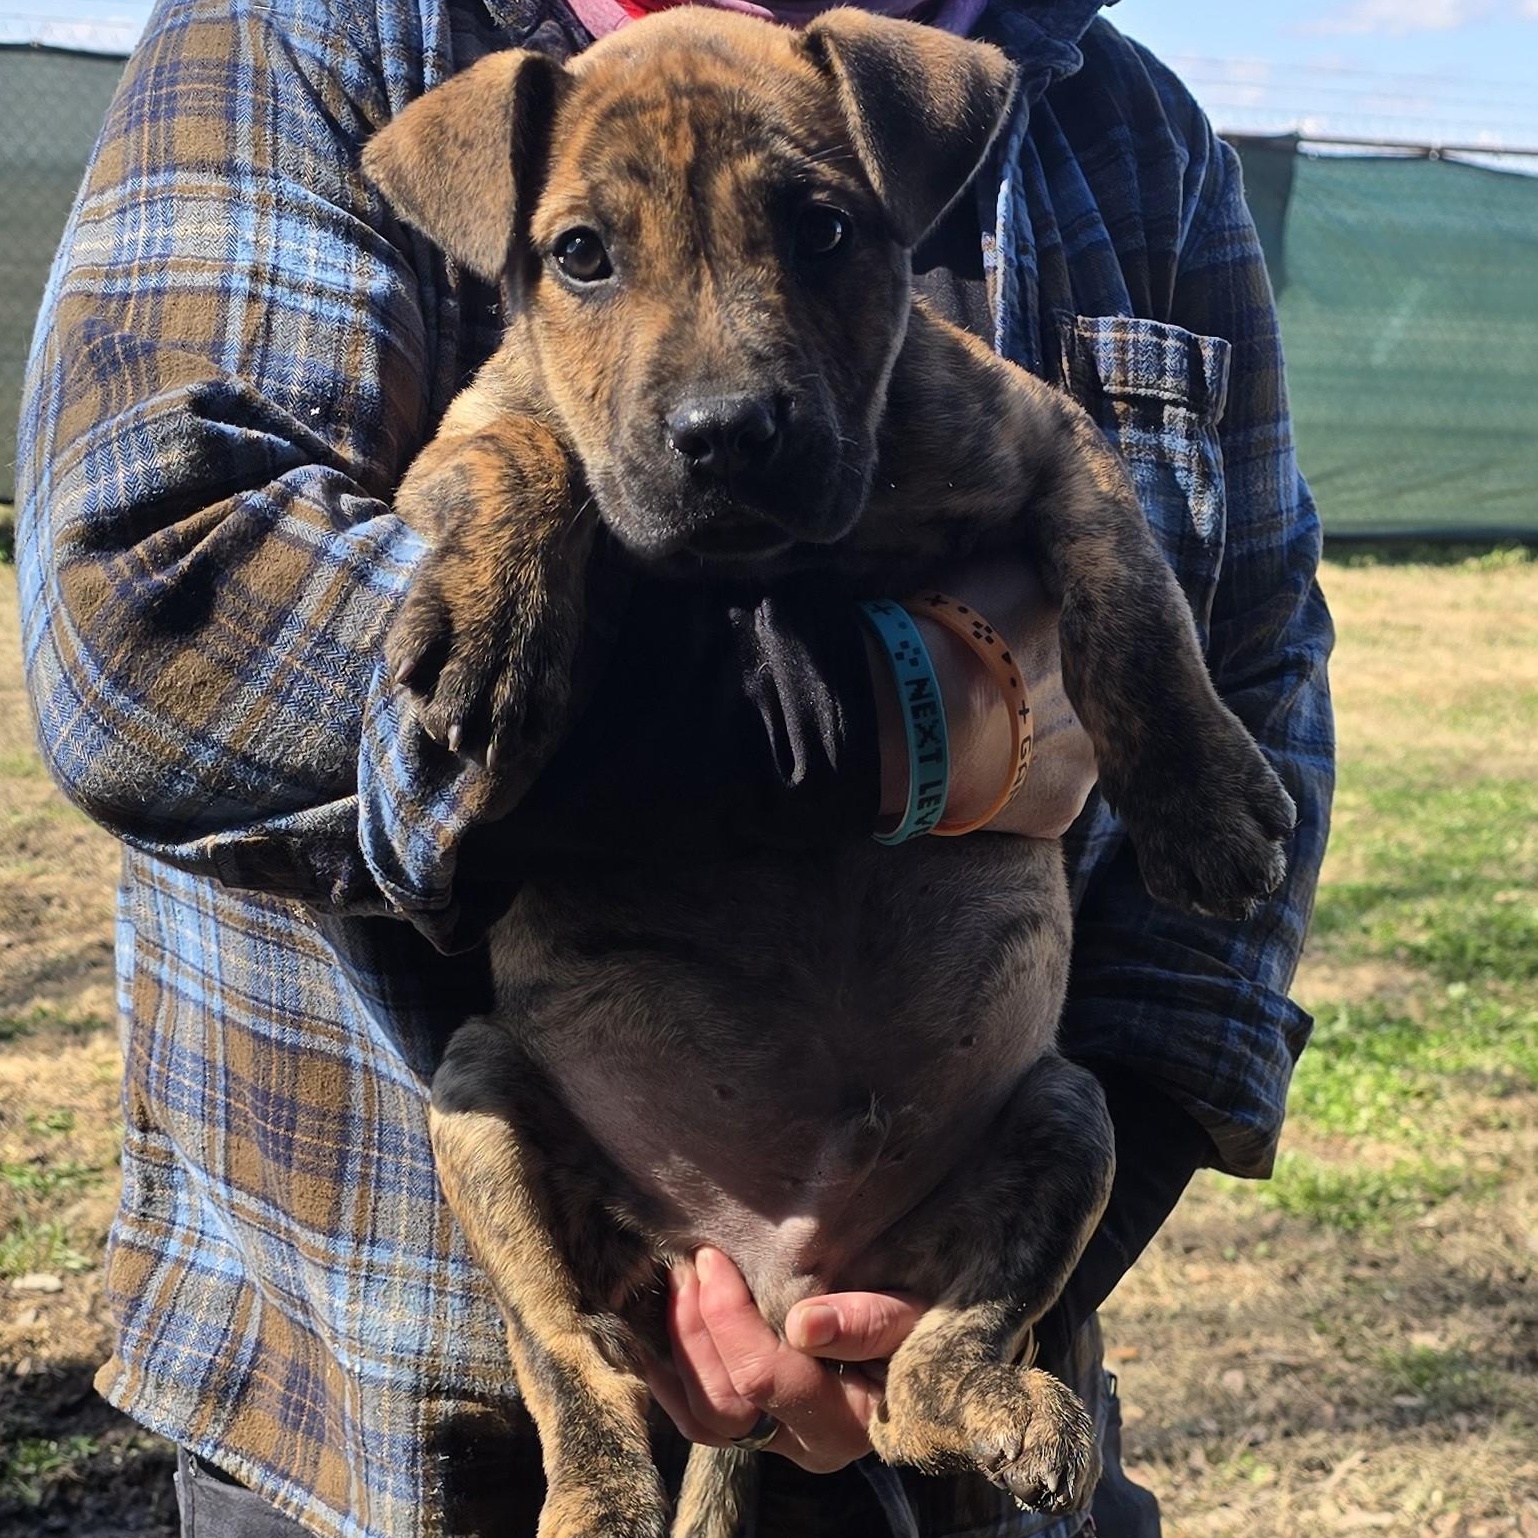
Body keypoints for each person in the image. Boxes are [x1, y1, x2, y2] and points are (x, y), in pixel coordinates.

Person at [16, 0, 1334, 1532]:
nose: (724, 376)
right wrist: (900, 724)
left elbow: (1254, 691)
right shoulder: (312, 34)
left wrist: (971, 1284)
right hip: (398, 1432)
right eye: (585, 255)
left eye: (821, 232)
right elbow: (151, 621)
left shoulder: (1119, 123)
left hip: (964, 1358)